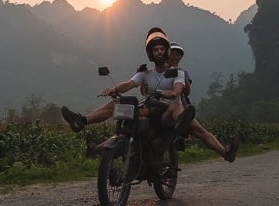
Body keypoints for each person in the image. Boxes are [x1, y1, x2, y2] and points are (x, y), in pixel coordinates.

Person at [61, 27, 195, 137]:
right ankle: (82, 121)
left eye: (161, 49)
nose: (159, 52)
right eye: (155, 50)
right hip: (149, 109)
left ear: (166, 51)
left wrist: (171, 93)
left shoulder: (178, 72)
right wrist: (114, 89)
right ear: (150, 53)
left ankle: (180, 124)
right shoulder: (144, 73)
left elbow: (178, 88)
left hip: (166, 113)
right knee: (117, 103)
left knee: (176, 104)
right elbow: (128, 84)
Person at [167, 41, 240, 163]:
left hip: (181, 110)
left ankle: (225, 153)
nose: (176, 57)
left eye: (178, 55)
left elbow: (187, 92)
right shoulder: (158, 71)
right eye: (173, 54)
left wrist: (181, 75)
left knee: (201, 132)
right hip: (164, 108)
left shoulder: (182, 72)